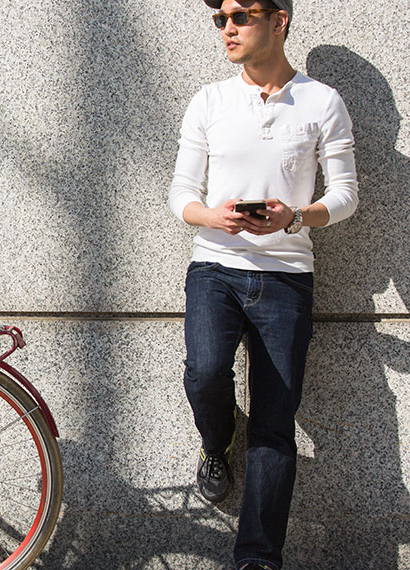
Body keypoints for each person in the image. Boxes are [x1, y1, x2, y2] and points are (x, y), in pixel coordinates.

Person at [167, 0, 359, 568]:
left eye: (241, 15)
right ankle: (216, 444)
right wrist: (212, 216)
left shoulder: (323, 102)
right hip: (214, 269)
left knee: (276, 423)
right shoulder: (209, 100)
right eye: (220, 18)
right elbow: (180, 193)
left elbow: (345, 195)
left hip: (286, 276)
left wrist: (294, 217)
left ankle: (257, 558)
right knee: (203, 374)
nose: (227, 27)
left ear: (279, 21)